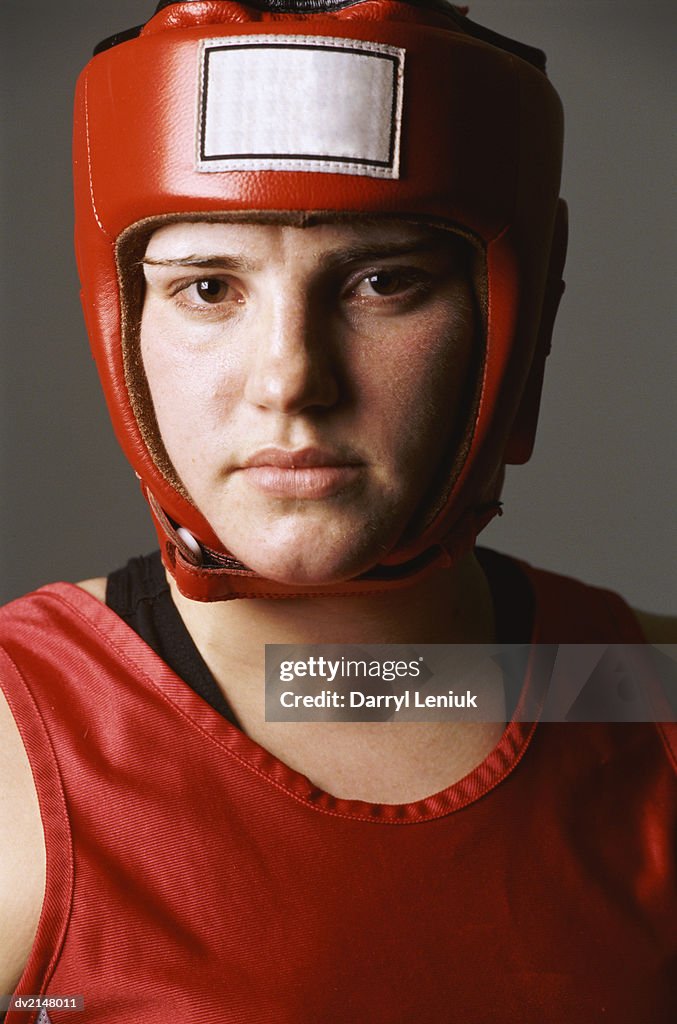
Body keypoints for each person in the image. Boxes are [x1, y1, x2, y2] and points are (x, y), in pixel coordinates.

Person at [0, 2, 674, 1022]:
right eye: (209, 287)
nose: (290, 380)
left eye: (381, 280)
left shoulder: (638, 696)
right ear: (123, 322)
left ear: (517, 317)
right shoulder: (13, 742)